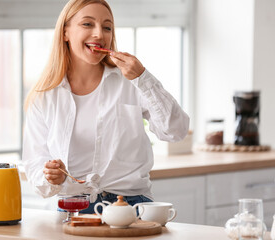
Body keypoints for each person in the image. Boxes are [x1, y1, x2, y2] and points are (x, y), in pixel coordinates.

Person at [22, 0, 189, 214]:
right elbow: (36, 166)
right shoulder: (44, 96)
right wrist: (52, 177)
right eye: (87, 24)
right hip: (74, 209)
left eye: (107, 27)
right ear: (65, 32)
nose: (99, 34)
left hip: (132, 207)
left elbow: (176, 131)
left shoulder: (132, 81)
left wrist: (144, 79)